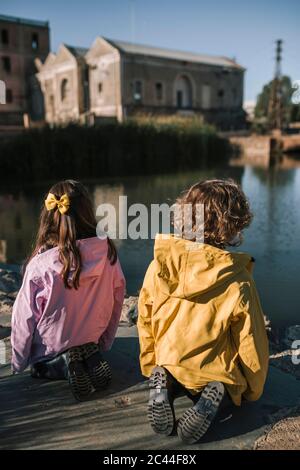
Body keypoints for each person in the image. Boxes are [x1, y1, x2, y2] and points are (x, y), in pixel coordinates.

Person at [137, 179, 269, 444]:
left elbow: (145, 319)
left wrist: (151, 363)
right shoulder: (237, 280)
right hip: (214, 371)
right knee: (228, 388)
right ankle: (212, 399)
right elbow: (251, 341)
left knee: (173, 369)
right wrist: (252, 390)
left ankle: (167, 383)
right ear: (232, 227)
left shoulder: (159, 265)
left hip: (169, 360)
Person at [11, 180, 125, 401]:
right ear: (87, 212)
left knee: (37, 367)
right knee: (86, 342)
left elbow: (23, 317)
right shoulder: (107, 252)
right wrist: (105, 341)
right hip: (92, 336)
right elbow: (118, 298)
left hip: (53, 344)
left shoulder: (41, 263)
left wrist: (19, 361)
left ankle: (63, 364)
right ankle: (87, 354)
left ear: (48, 215)